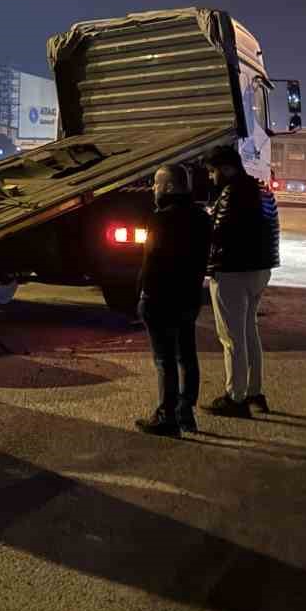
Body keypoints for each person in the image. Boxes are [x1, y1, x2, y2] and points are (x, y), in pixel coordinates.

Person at [133, 164, 213, 437]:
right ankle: (185, 412)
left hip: (160, 298)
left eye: (156, 184)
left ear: (168, 187)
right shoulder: (202, 218)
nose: (153, 189)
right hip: (189, 296)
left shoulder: (161, 219)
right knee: (186, 355)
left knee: (164, 359)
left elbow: (151, 261)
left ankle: (166, 417)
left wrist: (143, 294)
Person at [203, 144, 280, 418]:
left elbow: (218, 233)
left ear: (226, 169)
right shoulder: (262, 189)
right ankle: (254, 392)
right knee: (249, 332)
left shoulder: (232, 193)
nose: (211, 177)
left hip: (233, 271)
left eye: (213, 171)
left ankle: (235, 398)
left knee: (231, 337)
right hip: (261, 269)